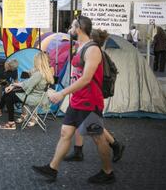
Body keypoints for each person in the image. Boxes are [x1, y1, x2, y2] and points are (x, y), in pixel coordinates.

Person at [32, 16, 116, 184]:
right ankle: (52, 168)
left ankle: (108, 172)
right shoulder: (81, 46)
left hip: (89, 102)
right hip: (78, 100)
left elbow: (86, 79)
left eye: (71, 26)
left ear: (79, 28)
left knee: (98, 137)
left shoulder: (92, 49)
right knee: (65, 133)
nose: (69, 29)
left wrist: (62, 93)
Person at [64, 29, 125, 163]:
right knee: (80, 122)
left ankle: (114, 147)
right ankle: (78, 151)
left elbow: (86, 77)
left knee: (93, 126)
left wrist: (64, 92)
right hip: (80, 93)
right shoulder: (85, 49)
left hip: (88, 95)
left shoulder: (92, 52)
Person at [0, 53, 54, 129]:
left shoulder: (39, 74)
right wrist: (13, 86)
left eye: (35, 61)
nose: (34, 62)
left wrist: (13, 85)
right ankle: (1, 112)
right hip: (36, 95)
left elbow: (26, 85)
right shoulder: (44, 72)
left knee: (9, 96)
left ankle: (10, 122)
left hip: (33, 97)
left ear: (39, 62)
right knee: (9, 93)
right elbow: (27, 83)